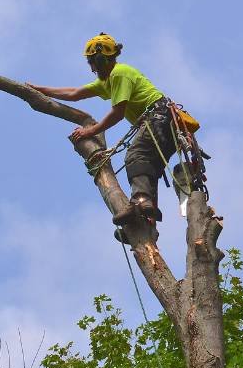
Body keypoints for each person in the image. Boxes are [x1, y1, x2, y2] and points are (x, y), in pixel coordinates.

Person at [26, 33, 176, 226]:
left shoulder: (119, 73)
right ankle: (144, 220)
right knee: (147, 168)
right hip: (162, 123)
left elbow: (118, 113)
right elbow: (74, 93)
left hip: (159, 117)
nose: (92, 68)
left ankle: (141, 200)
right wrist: (38, 89)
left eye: (92, 63)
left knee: (137, 155)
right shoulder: (106, 81)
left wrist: (90, 131)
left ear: (100, 59)